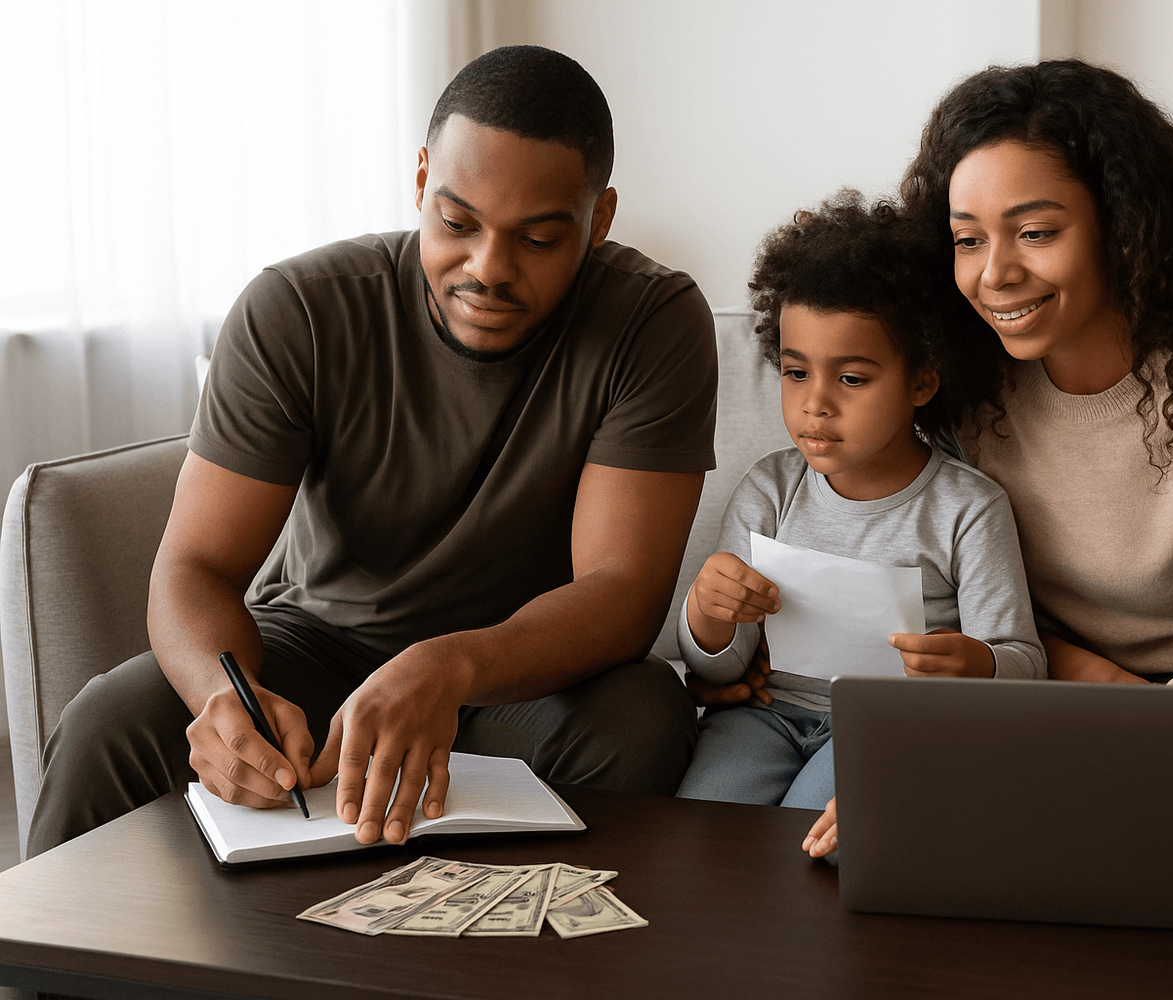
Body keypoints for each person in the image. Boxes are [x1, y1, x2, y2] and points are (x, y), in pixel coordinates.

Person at [26, 45, 717, 858]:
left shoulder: (653, 321)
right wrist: (224, 696)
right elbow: (194, 567)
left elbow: (623, 591)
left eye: (536, 240)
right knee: (109, 722)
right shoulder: (300, 310)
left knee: (641, 717)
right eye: (457, 224)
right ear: (422, 181)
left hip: (522, 676)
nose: (486, 270)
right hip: (318, 645)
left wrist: (448, 667)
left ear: (597, 221)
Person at [843, 58, 1173, 853]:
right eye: (967, 240)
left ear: (1122, 225)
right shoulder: (969, 387)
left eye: (1035, 232)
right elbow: (955, 596)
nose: (995, 274)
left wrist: (1102, 732)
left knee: (1117, 822)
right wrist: (1097, 684)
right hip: (1058, 690)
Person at [675, 193, 1043, 819]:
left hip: (888, 721)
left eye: (851, 379)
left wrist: (976, 662)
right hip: (765, 717)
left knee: (811, 835)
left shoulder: (968, 508)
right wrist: (708, 615)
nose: (816, 404)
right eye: (796, 373)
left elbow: (1024, 663)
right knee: (705, 822)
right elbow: (727, 664)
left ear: (921, 382)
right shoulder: (768, 490)